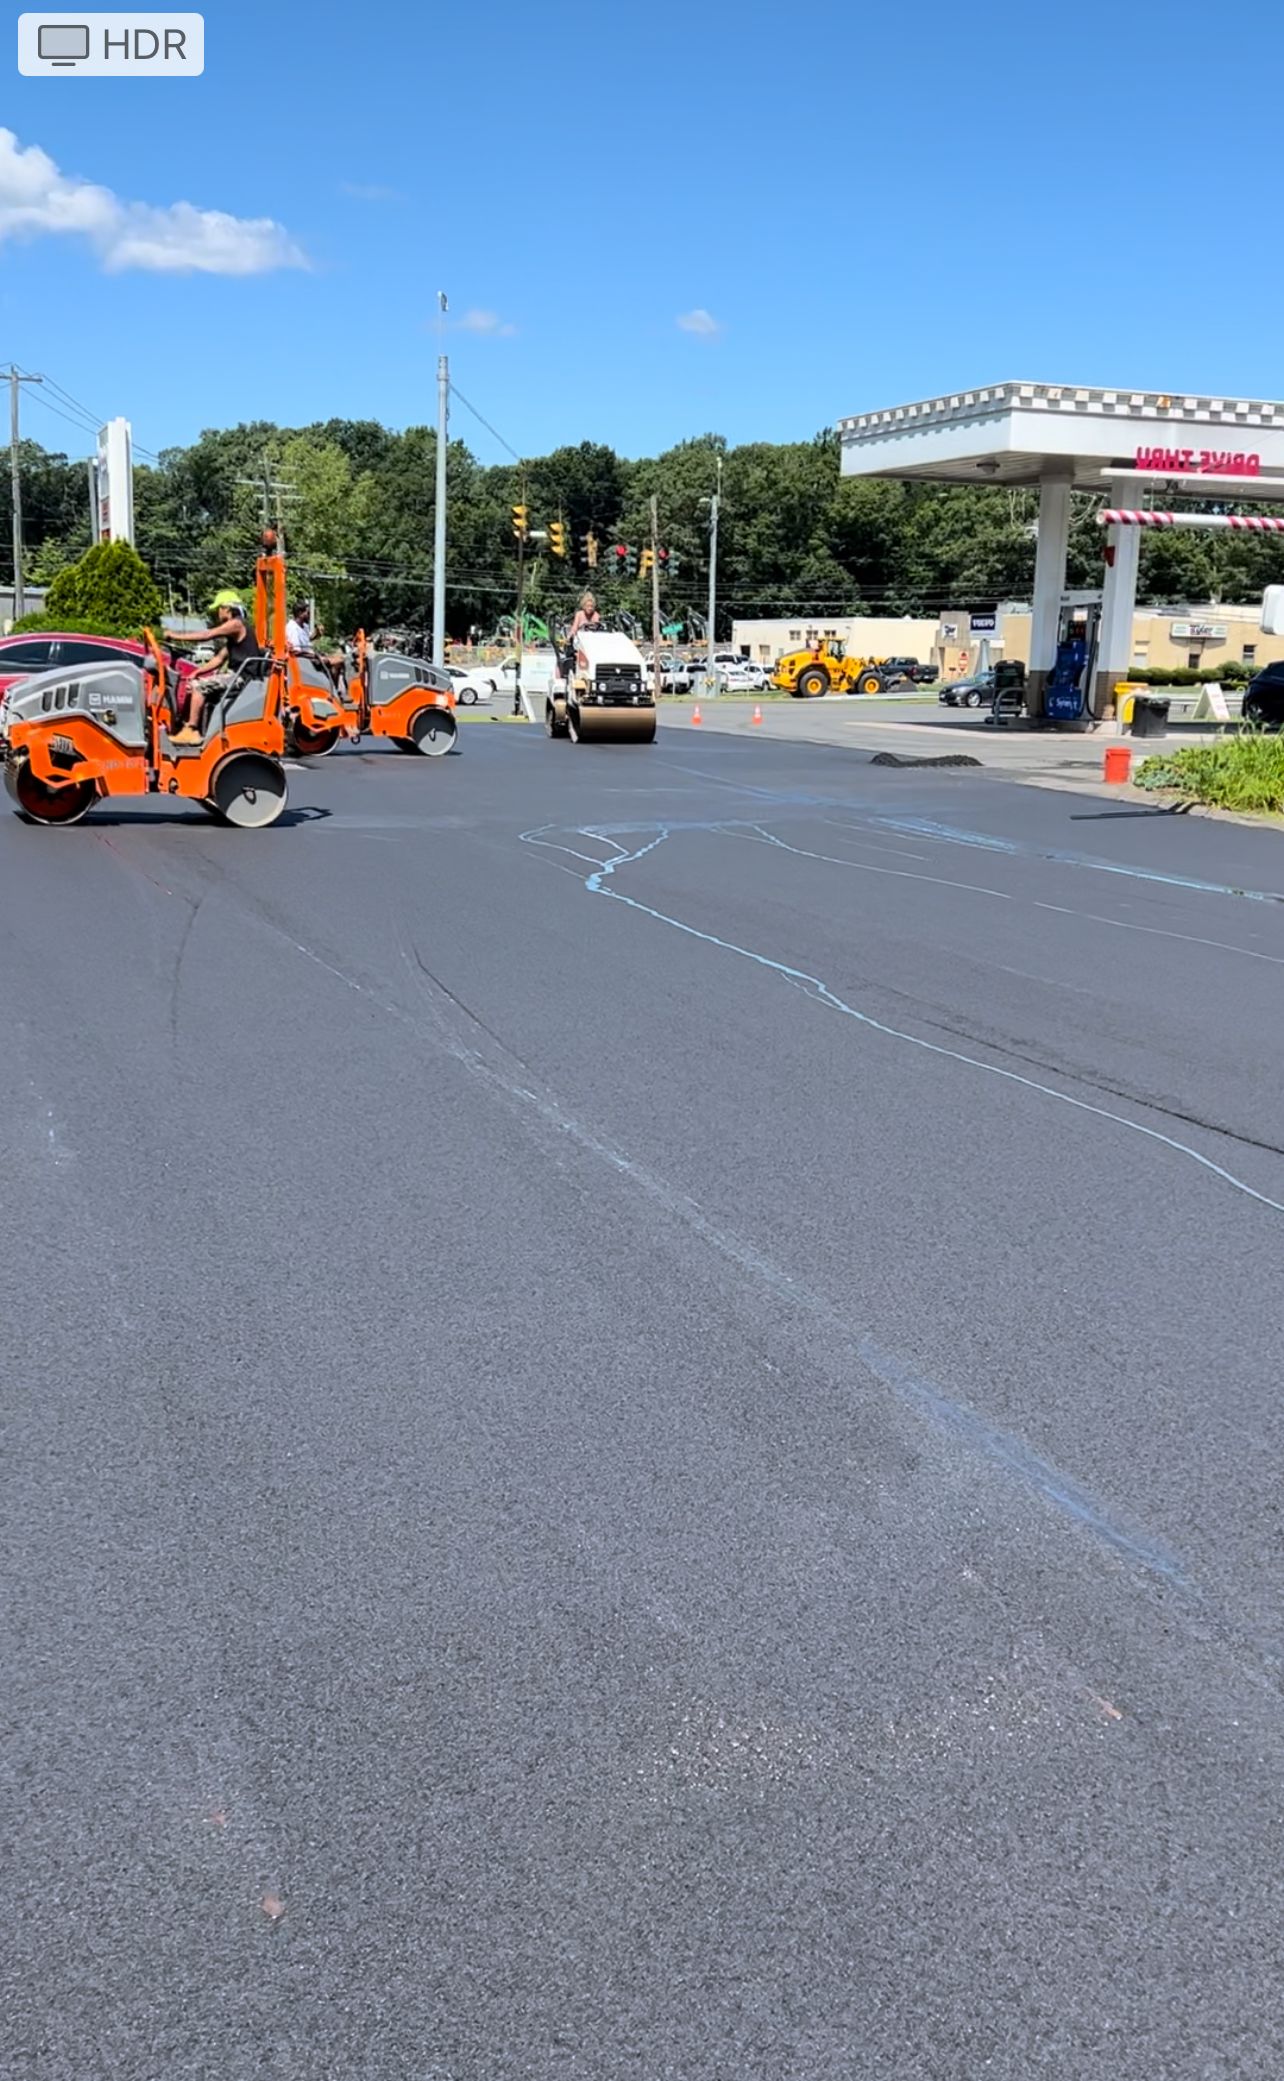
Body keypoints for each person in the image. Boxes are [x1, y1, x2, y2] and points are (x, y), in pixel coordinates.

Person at [167, 600, 263, 745]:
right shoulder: (233, 637)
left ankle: (191, 730)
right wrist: (197, 672)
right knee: (195, 684)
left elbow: (208, 634)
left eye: (219, 609)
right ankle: (184, 725)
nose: (218, 613)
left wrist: (175, 635)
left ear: (227, 609)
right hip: (236, 675)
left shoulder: (237, 624)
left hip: (241, 677)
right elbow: (218, 659)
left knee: (199, 687)